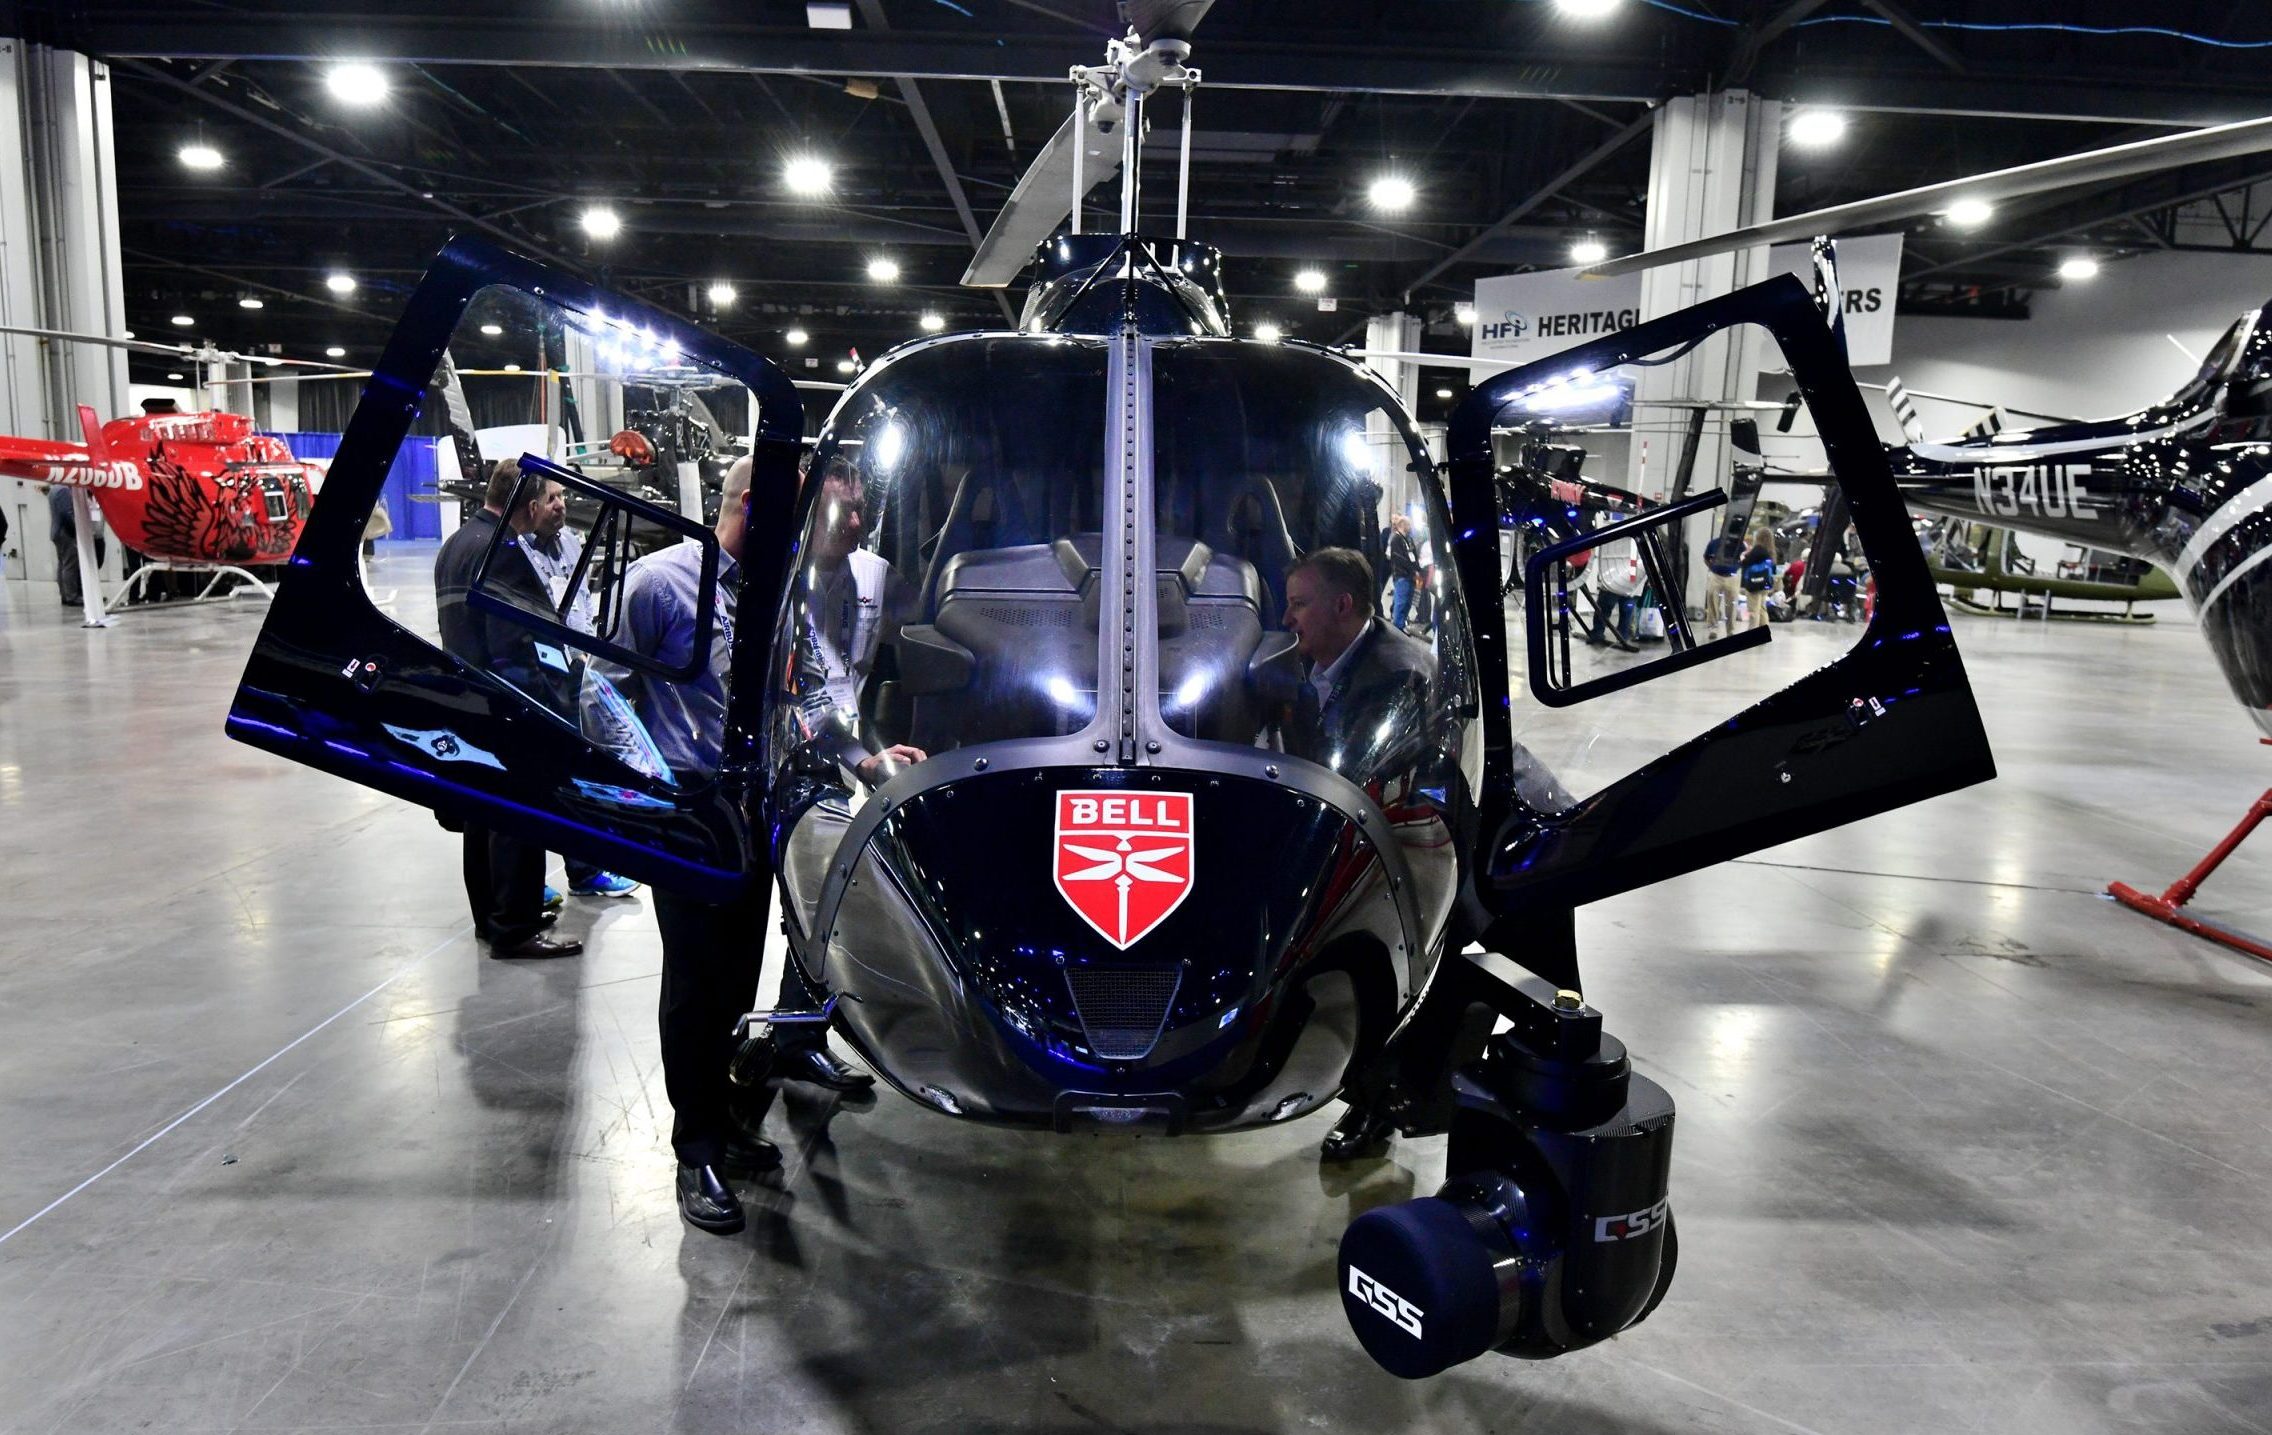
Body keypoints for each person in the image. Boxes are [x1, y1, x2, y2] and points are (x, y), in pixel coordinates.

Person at [433, 458, 582, 960]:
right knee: (519, 815)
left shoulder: (457, 543)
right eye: (548, 499)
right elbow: (515, 643)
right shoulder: (503, 549)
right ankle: (516, 928)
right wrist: (549, 707)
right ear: (531, 503)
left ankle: (491, 919)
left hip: (469, 697)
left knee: (482, 815)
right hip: (506, 703)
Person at [517, 473, 641, 900]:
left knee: (579, 771)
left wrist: (589, 646)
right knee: (545, 777)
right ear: (532, 505)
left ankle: (584, 870)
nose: (561, 505)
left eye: (563, 496)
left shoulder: (571, 541)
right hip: (541, 678)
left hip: (577, 670)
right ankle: (537, 882)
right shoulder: (518, 552)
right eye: (552, 498)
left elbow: (584, 597)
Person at [785, 457, 927, 784]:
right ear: (808, 512)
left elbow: (930, 633)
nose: (855, 523)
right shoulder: (780, 581)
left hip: (849, 758)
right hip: (786, 760)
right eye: (842, 511)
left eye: (859, 510)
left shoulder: (876, 575)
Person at [49, 485, 104, 609]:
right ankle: (72, 596)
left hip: (58, 532)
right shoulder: (63, 490)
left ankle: (65, 594)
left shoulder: (54, 489)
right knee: (70, 565)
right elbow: (67, 514)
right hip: (66, 533)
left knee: (63, 564)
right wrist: (78, 531)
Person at [1586, 535, 1642, 651]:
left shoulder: (1615, 539)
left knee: (1605, 608)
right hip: (1630, 580)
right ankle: (1621, 636)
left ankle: (1599, 633)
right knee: (1624, 611)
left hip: (1615, 579)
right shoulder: (1639, 538)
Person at [1702, 527, 1745, 638]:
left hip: (1732, 577)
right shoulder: (1714, 543)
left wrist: (1737, 567)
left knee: (1732, 604)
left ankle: (1730, 630)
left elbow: (1744, 558)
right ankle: (1713, 628)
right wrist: (1712, 567)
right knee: (1712, 602)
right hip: (1716, 576)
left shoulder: (1739, 544)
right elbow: (1706, 557)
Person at [1384, 514, 1420, 633]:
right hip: (1401, 575)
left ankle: (1402, 623)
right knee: (1401, 601)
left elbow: (1413, 555)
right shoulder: (1396, 539)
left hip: (1410, 575)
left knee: (1408, 602)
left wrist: (1417, 569)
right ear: (1402, 525)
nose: (1410, 527)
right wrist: (1412, 569)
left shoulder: (1408, 539)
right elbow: (1400, 558)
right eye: (1408, 524)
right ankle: (1397, 627)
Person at [1740, 527, 1777, 629]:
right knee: (1761, 609)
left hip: (1754, 584)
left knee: (1753, 611)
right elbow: (1773, 569)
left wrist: (1742, 556)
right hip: (1764, 583)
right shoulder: (1771, 551)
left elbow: (1746, 563)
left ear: (1759, 537)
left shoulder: (1757, 549)